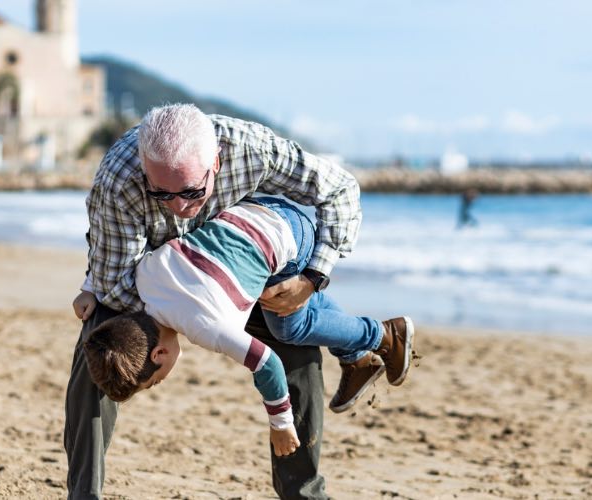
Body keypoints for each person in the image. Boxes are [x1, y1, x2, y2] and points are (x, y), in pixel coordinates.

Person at [64, 103, 377, 499]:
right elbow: (116, 284)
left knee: (294, 342)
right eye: (161, 194)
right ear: (144, 169)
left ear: (216, 162)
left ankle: (305, 493)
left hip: (247, 256)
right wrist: (180, 317)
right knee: (106, 350)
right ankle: (83, 494)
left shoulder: (252, 149)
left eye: (193, 191)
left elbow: (340, 190)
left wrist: (312, 279)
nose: (179, 206)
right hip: (152, 271)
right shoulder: (118, 181)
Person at [74, 196, 415, 457]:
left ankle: (384, 336)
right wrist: (90, 288)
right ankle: (356, 356)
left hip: (292, 238)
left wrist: (280, 424)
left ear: (160, 353)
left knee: (287, 324)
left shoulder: (206, 326)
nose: (159, 384)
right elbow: (112, 262)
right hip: (256, 209)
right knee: (273, 301)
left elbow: (268, 364)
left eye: (154, 382)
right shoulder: (144, 281)